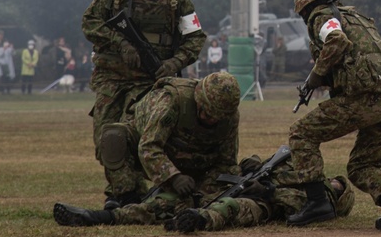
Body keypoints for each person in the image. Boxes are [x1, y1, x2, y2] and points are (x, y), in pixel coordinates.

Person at [81, 0, 207, 208]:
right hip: (112, 78)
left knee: (137, 135)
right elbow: (90, 22)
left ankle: (129, 195)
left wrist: (174, 64)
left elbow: (195, 37)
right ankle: (123, 192)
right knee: (106, 137)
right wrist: (120, 43)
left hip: (151, 82)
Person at [285, 0, 381, 232]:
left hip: (365, 98)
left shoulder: (322, 16)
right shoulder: (356, 17)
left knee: (301, 134)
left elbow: (337, 41)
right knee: (363, 165)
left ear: (305, 7)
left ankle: (318, 202)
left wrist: (317, 74)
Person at [53, 71, 241, 226]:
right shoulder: (172, 101)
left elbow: (226, 162)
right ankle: (128, 198)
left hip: (197, 164)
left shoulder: (228, 117)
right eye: (208, 113)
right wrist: (174, 177)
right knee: (113, 136)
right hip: (156, 156)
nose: (213, 120)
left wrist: (206, 190)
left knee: (187, 201)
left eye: (218, 117)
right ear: (198, 100)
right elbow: (149, 146)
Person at [166, 165, 355, 233]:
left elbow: (295, 200)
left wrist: (267, 191)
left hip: (263, 205)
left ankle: (198, 220)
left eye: (339, 188)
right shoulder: (307, 175)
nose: (335, 183)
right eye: (337, 181)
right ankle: (154, 212)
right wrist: (254, 165)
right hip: (245, 187)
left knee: (229, 207)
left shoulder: (322, 201)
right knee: (190, 198)